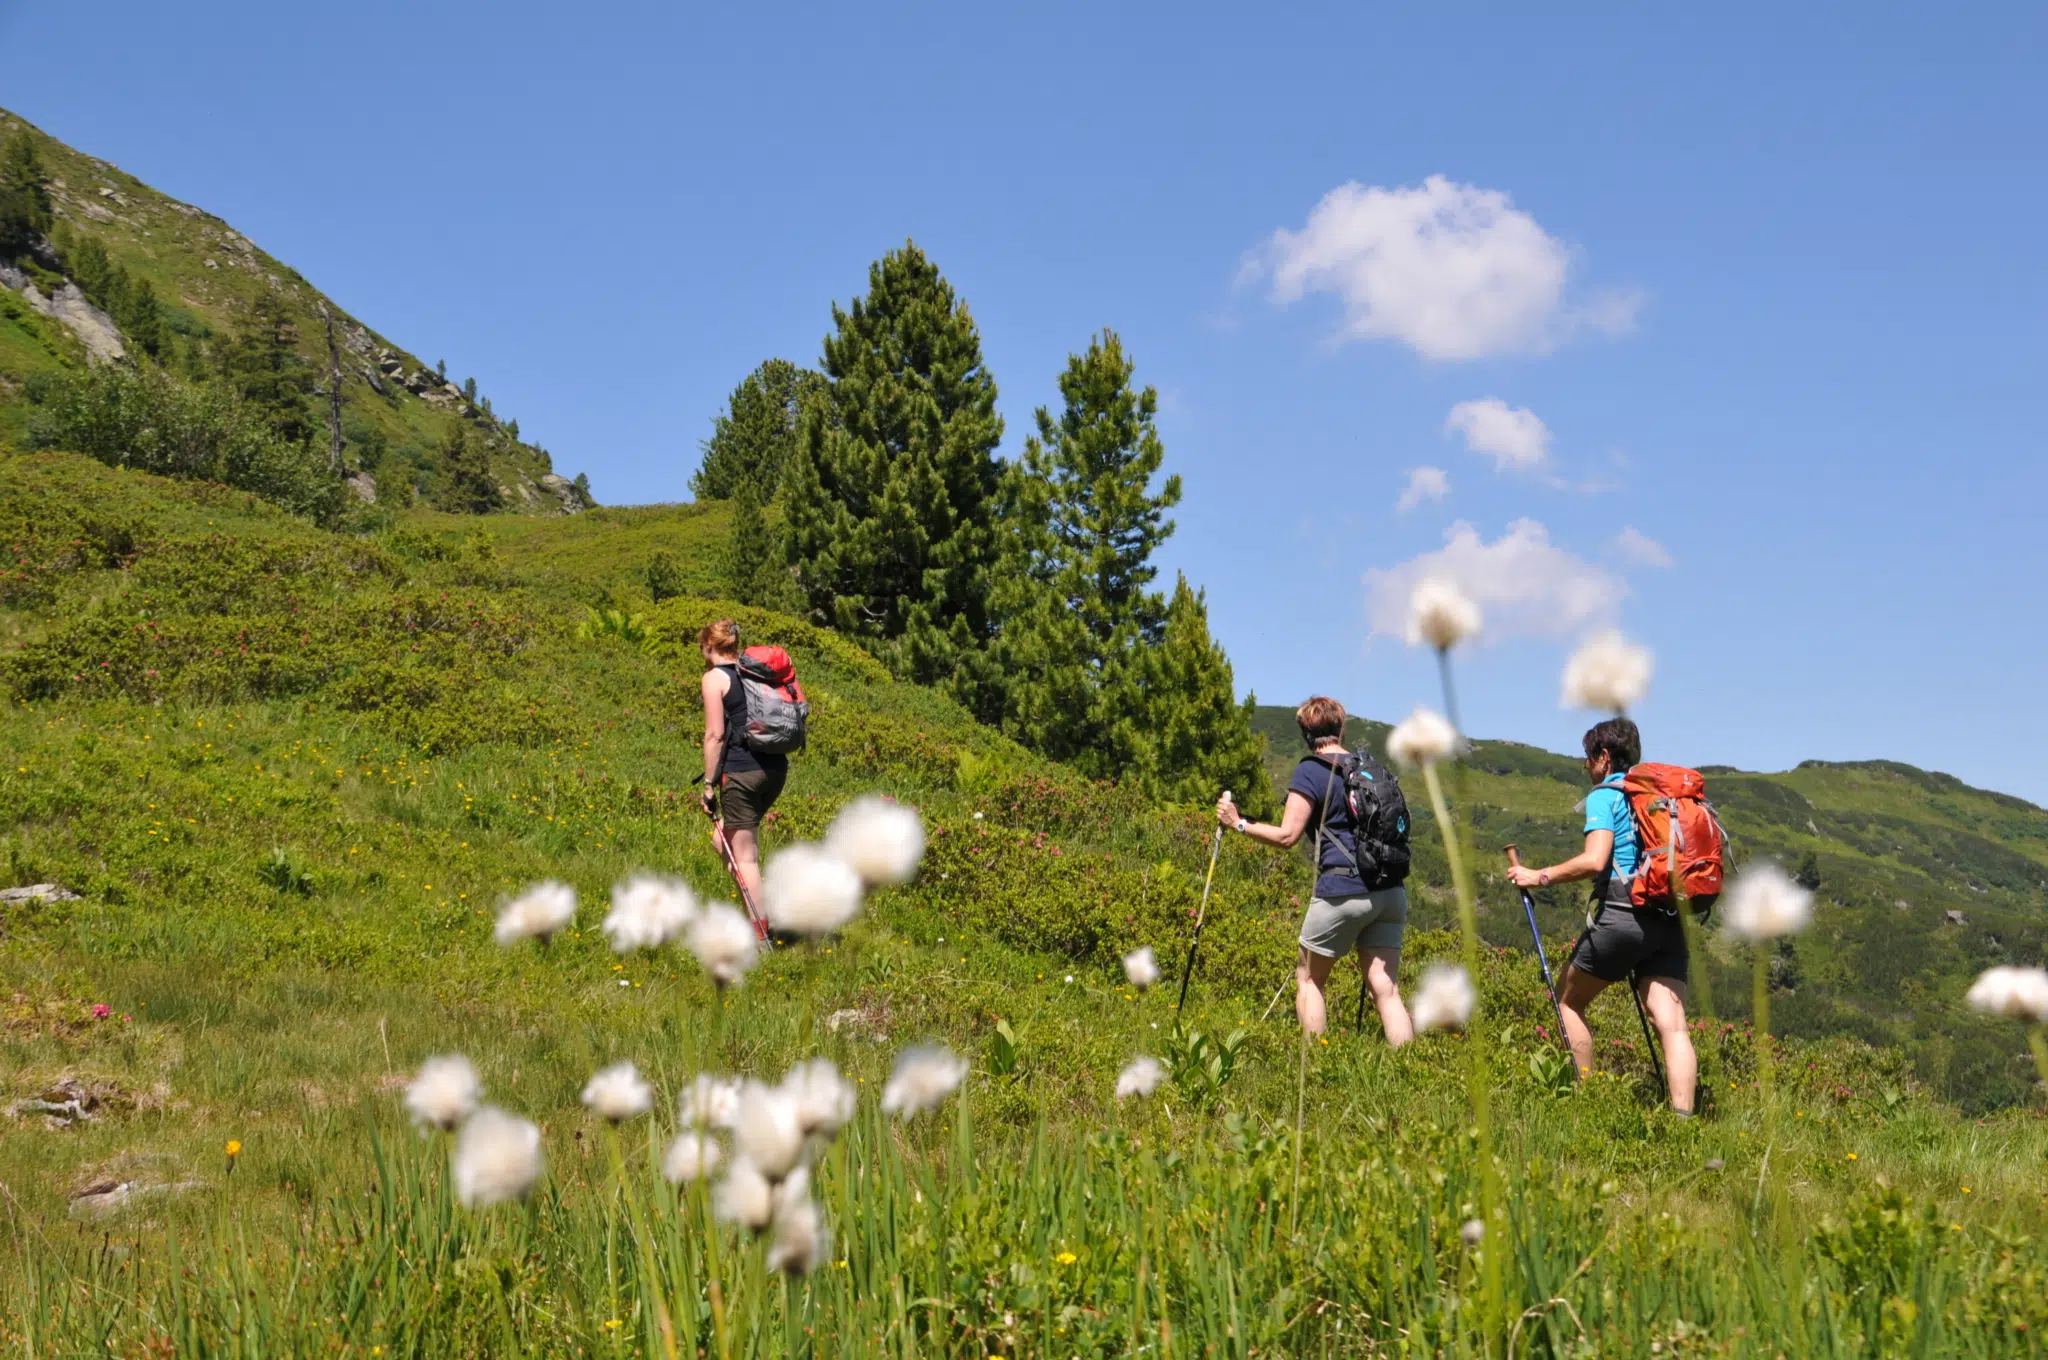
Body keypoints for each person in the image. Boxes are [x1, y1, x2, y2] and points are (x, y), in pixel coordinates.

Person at [1506, 716, 1697, 1114]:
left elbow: (1595, 861)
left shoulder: (1605, 795)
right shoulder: (1658, 797)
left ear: (1604, 757)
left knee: (1568, 1002)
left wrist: (1538, 876)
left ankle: (1587, 1102)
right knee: (1672, 1021)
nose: (1586, 766)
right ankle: (1683, 1122)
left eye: (1588, 758)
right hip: (1669, 917)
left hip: (1625, 915)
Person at [1216, 697, 1413, 1044]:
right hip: (1390, 891)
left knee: (1309, 980)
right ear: (1340, 727)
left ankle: (1318, 1071)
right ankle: (1412, 1068)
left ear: (1306, 731)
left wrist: (1239, 824)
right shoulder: (1366, 768)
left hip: (1343, 890)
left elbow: (1287, 835)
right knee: (1386, 989)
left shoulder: (1311, 770)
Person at [698, 619, 786, 915]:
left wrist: (709, 785)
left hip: (741, 773)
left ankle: (762, 935)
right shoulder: (753, 673)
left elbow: (715, 735)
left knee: (745, 857)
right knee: (721, 838)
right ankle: (756, 911)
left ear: (709, 646)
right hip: (774, 769)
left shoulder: (714, 678)